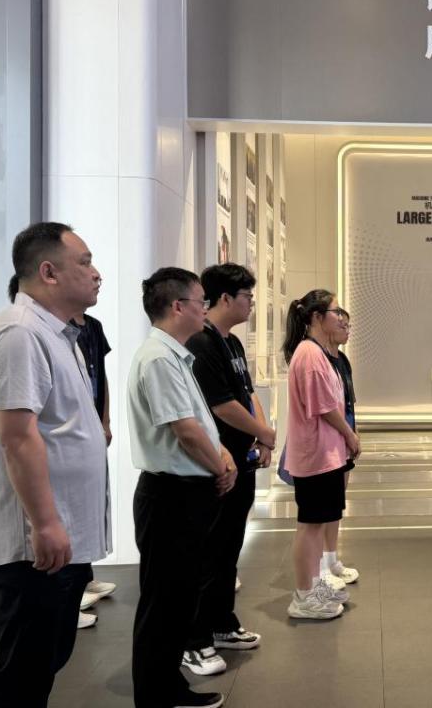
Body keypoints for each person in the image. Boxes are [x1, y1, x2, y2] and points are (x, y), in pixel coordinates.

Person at [0, 222, 110, 707]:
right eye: (85, 262)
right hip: (32, 547)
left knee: (42, 663)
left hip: (57, 541)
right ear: (49, 272)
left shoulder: (57, 335)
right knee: (21, 678)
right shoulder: (20, 334)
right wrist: (45, 523)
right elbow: (17, 437)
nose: (96, 273)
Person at [128, 267, 236, 708]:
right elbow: (185, 431)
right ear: (178, 306)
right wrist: (220, 467)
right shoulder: (158, 358)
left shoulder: (175, 355)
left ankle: (169, 687)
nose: (204, 310)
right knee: (164, 601)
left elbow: (198, 422)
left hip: (184, 493)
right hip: (170, 495)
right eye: (200, 302)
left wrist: (221, 454)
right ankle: (156, 695)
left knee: (179, 598)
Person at [182, 264, 276, 676]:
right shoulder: (202, 344)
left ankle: (221, 622)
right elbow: (221, 405)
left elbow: (247, 394)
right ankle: (194, 639)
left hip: (242, 461)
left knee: (228, 548)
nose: (251, 303)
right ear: (224, 298)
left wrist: (261, 436)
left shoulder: (232, 342)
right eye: (247, 296)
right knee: (208, 552)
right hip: (215, 465)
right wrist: (263, 433)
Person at [281, 289, 359, 619]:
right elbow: (325, 407)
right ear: (316, 317)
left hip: (325, 453)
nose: (341, 318)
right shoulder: (310, 354)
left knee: (316, 522)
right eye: (335, 312)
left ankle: (314, 586)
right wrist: (349, 434)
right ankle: (303, 597)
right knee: (310, 526)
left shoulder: (316, 353)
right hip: (316, 455)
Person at [71, 311, 118, 627]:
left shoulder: (93, 327)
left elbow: (100, 375)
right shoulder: (47, 331)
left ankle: (84, 578)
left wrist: (105, 420)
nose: (96, 286)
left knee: (90, 505)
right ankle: (71, 592)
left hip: (91, 429)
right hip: (71, 436)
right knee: (71, 509)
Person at [318, 307, 360, 589]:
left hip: (343, 441)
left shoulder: (342, 360)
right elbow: (326, 408)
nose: (347, 330)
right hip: (327, 445)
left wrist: (354, 434)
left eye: (348, 326)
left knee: (336, 505)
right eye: (341, 324)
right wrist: (348, 434)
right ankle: (320, 566)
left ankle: (331, 558)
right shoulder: (318, 359)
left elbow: (348, 404)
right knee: (321, 509)